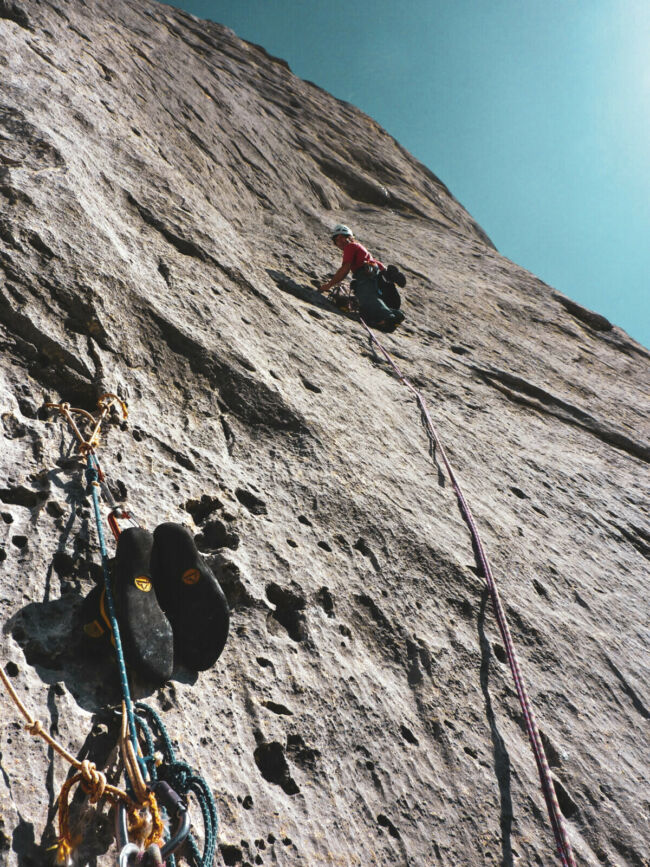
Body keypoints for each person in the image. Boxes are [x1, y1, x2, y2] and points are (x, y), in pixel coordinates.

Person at [319, 225, 405, 332]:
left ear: (349, 237)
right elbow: (376, 263)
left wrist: (328, 285)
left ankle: (387, 318)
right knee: (365, 304)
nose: (339, 241)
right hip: (375, 273)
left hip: (365, 273)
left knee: (367, 297)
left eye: (341, 237)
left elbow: (345, 269)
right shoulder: (359, 247)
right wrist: (385, 272)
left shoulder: (350, 247)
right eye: (336, 240)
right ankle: (396, 315)